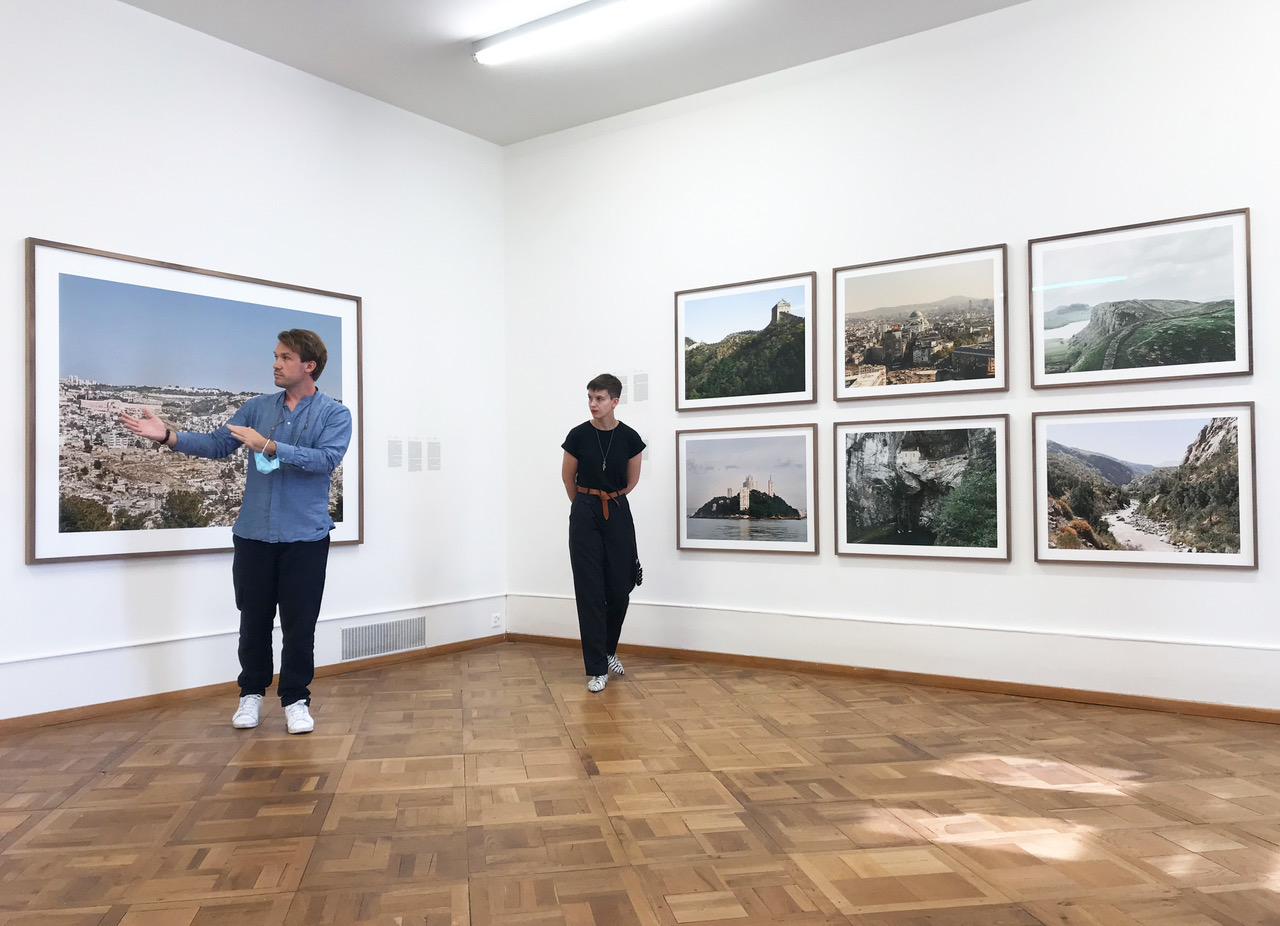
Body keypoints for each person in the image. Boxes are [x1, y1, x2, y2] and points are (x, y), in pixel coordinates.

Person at [119, 329, 351, 734]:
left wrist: (270, 447)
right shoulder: (256, 407)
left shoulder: (335, 414)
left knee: (300, 624)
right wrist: (169, 436)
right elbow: (216, 444)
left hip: (306, 537)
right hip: (253, 534)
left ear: (308, 366)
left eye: (284, 357)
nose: (275, 364)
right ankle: (251, 695)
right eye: (275, 356)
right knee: (253, 620)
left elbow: (326, 460)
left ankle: (296, 699)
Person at [561, 374, 645, 692]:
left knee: (621, 587)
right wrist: (586, 506)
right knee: (590, 591)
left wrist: (607, 501)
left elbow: (631, 481)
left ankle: (609, 650)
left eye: (599, 398)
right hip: (584, 510)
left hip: (618, 510)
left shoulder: (631, 438)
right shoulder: (578, 435)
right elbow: (568, 477)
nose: (593, 404)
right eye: (590, 398)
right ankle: (597, 668)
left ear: (614, 401)